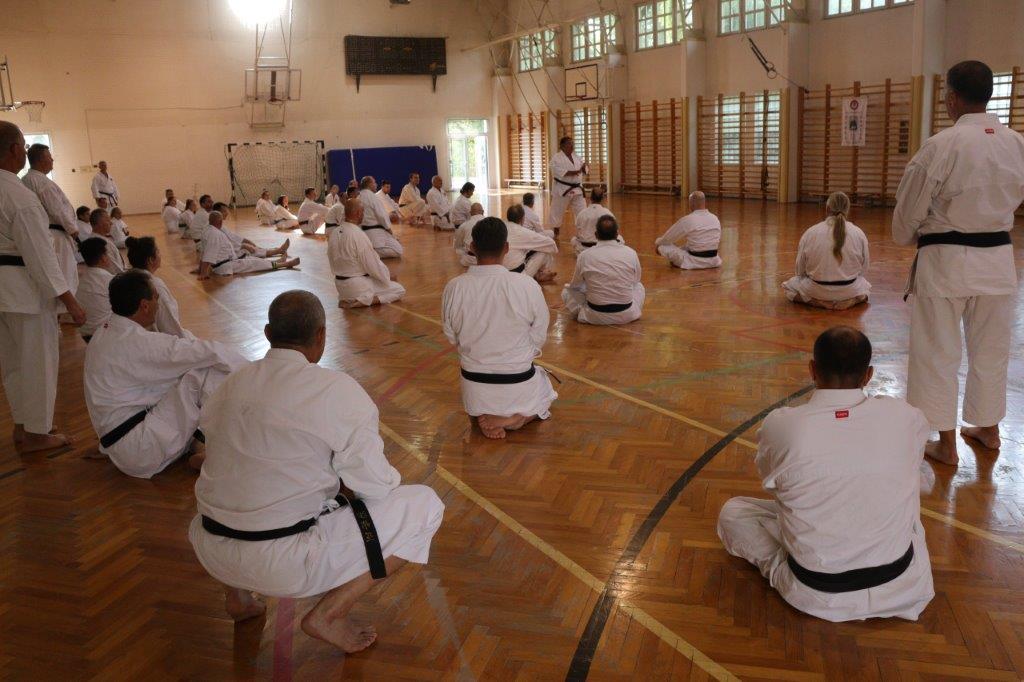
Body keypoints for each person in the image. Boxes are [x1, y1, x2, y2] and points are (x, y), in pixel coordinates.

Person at [188, 291, 445, 652]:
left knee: (237, 488)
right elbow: (375, 485)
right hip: (285, 563)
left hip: (210, 548)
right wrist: (345, 482)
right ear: (322, 335)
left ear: (267, 333)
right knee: (425, 505)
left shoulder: (230, 384)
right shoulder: (336, 390)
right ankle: (329, 615)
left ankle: (238, 598)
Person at [717, 327, 934, 622]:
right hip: (900, 585)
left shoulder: (782, 425)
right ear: (868, 375)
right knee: (908, 484)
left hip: (816, 592)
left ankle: (782, 568)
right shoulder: (905, 416)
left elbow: (771, 481)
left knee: (733, 513)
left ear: (813, 370)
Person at [893, 60, 1024, 466]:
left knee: (937, 352)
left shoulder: (941, 146)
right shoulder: (1016, 143)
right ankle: (988, 429)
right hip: (998, 262)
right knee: (991, 351)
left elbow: (906, 217)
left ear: (951, 98)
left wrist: (912, 235)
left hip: (946, 263)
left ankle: (946, 444)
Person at [84, 269, 247, 478]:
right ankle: (217, 445)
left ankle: (197, 442)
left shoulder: (103, 333)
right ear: (144, 305)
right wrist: (260, 373)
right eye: (156, 298)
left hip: (120, 445)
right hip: (142, 448)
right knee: (203, 372)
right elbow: (209, 352)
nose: (158, 304)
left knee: (178, 377)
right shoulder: (141, 342)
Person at [0, 120, 87, 453]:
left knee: (13, 363)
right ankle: (37, 433)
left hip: (3, 294)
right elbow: (39, 256)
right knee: (38, 362)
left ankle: (23, 425)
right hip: (25, 292)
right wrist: (70, 300)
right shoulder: (19, 196)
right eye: (23, 146)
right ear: (14, 150)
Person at [442, 217, 558, 439]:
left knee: (487, 390)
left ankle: (485, 413)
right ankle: (517, 418)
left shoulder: (454, 287)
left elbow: (451, 336)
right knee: (546, 391)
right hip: (517, 379)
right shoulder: (526, 284)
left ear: (472, 247)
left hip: (474, 386)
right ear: (506, 248)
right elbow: (539, 337)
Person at [783, 192, 870, 311]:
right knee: (865, 286)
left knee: (789, 287)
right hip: (849, 290)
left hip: (816, 290)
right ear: (847, 210)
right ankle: (852, 301)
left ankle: (816, 302)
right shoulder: (858, 233)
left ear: (827, 208)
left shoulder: (811, 232)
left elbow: (800, 270)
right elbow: (864, 269)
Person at [22, 143, 80, 300]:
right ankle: (65, 306)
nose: (52, 160)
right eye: (49, 157)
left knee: (55, 271)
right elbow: (57, 210)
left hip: (45, 233)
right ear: (41, 160)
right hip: (56, 234)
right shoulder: (42, 183)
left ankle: (61, 306)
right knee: (65, 273)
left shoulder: (26, 179)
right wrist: (74, 231)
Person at [562, 216, 644, 325]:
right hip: (626, 314)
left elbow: (575, 285)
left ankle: (581, 311)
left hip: (595, 315)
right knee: (639, 286)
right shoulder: (631, 253)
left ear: (596, 235)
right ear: (617, 234)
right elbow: (636, 280)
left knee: (567, 291)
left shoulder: (584, 256)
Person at [328, 198, 406, 308]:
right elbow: (372, 264)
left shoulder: (335, 233)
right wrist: (387, 277)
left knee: (374, 279)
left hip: (340, 287)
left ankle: (349, 299)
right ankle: (365, 300)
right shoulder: (358, 234)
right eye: (363, 211)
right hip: (357, 287)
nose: (363, 214)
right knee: (399, 289)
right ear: (358, 213)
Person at [125, 236, 195, 339]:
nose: (160, 255)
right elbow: (169, 326)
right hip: (154, 339)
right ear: (150, 260)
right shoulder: (154, 286)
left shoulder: (127, 279)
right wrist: (185, 342)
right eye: (158, 252)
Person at [198, 211, 299, 279]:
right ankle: (285, 264)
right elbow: (209, 253)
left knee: (253, 260)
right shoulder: (215, 234)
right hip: (226, 266)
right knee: (255, 263)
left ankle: (278, 261)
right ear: (220, 221)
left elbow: (204, 251)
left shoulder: (208, 230)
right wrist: (203, 273)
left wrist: (200, 268)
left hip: (228, 261)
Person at [655, 191, 724, 270]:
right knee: (687, 246)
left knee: (662, 246)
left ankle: (679, 261)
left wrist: (657, 243)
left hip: (693, 261)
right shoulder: (715, 218)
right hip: (714, 261)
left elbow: (667, 239)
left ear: (691, 204)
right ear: (704, 202)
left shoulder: (688, 219)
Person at [505, 204, 557, 283]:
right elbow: (551, 245)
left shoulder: (502, 227)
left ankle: (539, 273)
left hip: (500, 273)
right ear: (522, 219)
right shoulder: (522, 232)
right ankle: (541, 274)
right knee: (545, 252)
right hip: (519, 277)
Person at [547, 136, 588, 236]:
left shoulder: (576, 156)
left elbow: (584, 168)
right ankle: (556, 229)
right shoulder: (556, 158)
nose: (572, 145)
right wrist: (575, 172)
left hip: (577, 188)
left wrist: (585, 167)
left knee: (582, 210)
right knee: (557, 210)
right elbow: (558, 172)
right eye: (569, 143)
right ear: (562, 146)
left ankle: (582, 230)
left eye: (572, 143)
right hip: (562, 189)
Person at [76, 238, 114, 341]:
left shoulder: (82, 278)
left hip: (86, 334)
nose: (108, 257)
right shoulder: (108, 279)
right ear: (103, 258)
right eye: (107, 254)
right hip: (104, 334)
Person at [358, 176, 404, 259]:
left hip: (364, 232)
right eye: (374, 182)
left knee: (395, 242)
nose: (376, 184)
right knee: (398, 250)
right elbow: (381, 215)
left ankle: (369, 249)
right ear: (369, 184)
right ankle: (370, 253)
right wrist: (389, 229)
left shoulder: (358, 197)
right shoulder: (372, 197)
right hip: (375, 232)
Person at [572, 188, 616, 255]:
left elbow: (578, 231)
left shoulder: (582, 213)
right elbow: (614, 231)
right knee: (620, 239)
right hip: (602, 247)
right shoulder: (607, 213)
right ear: (603, 198)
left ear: (590, 198)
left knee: (574, 239)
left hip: (584, 248)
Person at [89, 208, 126, 274]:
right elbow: (113, 268)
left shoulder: (98, 239)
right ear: (99, 223)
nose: (111, 223)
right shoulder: (99, 244)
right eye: (108, 220)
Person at [454, 203, 485, 267]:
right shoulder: (492, 224)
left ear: (470, 213)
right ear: (483, 212)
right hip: (489, 260)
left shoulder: (463, 225)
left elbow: (457, 246)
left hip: (469, 261)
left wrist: (466, 252)